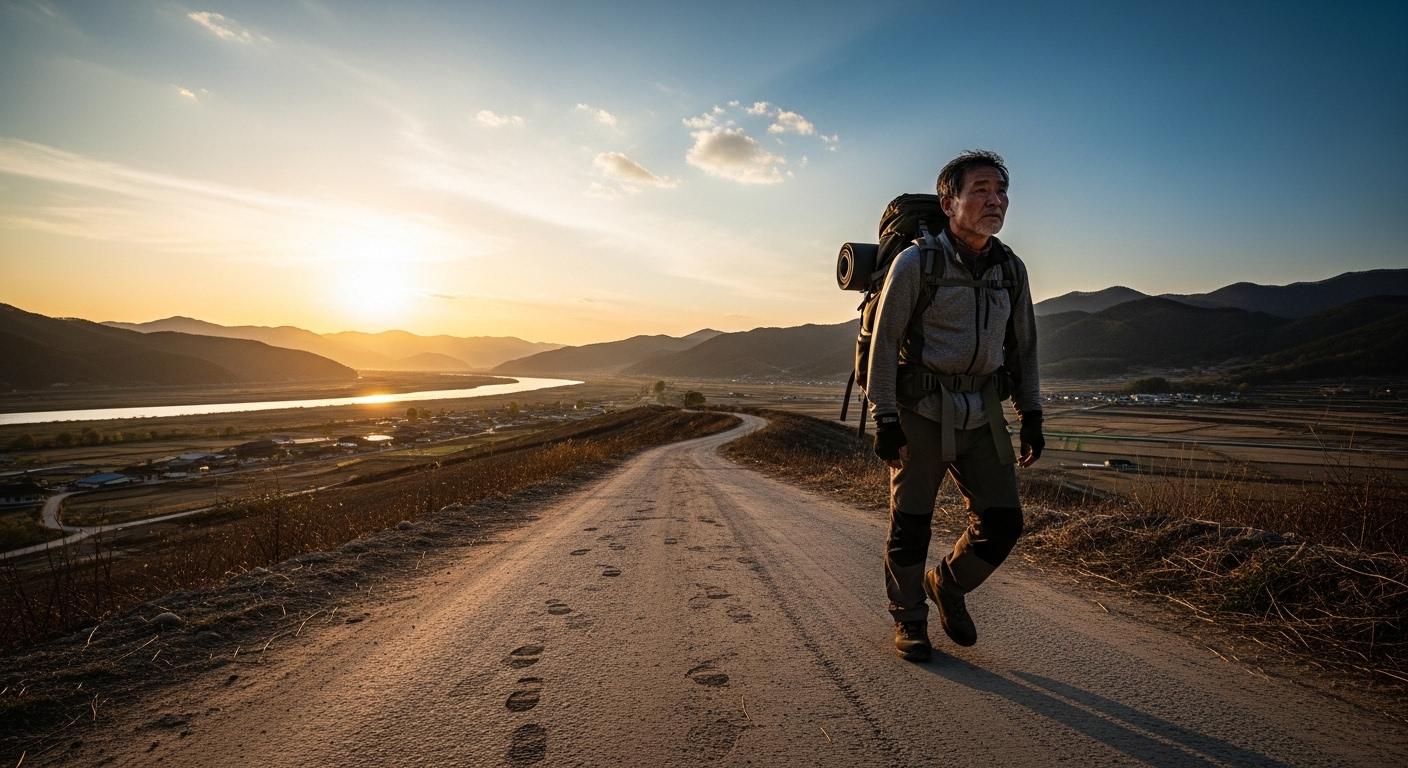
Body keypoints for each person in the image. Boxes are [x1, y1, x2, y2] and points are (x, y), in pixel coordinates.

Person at [865, 149, 1044, 662]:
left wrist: (1031, 414)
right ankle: (909, 620)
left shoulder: (1010, 269)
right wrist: (886, 418)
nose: (995, 200)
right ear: (949, 202)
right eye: (981, 190)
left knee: (1004, 521)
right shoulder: (917, 262)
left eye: (1001, 191)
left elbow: (1026, 346)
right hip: (920, 410)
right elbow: (884, 342)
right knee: (911, 522)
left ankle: (947, 583)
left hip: (982, 413)